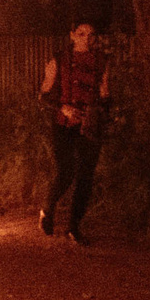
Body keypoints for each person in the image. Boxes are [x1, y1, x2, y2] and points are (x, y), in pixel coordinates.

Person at [39, 19, 109, 243]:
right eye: (81, 34)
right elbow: (44, 95)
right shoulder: (59, 60)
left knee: (86, 176)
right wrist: (63, 108)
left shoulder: (102, 61)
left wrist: (99, 112)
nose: (86, 39)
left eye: (90, 34)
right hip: (63, 123)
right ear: (72, 35)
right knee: (66, 171)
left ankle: (74, 226)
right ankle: (47, 210)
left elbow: (105, 92)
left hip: (89, 124)